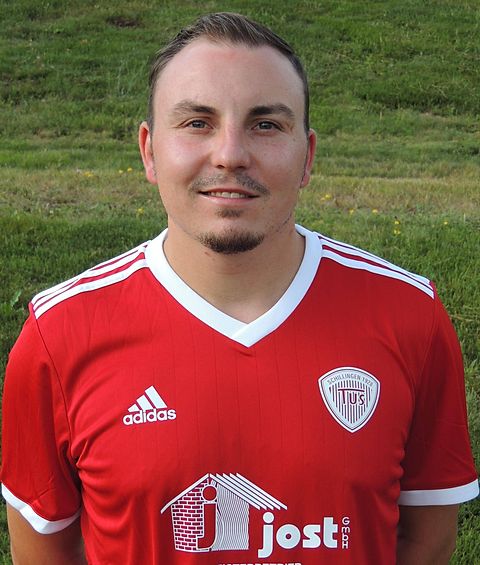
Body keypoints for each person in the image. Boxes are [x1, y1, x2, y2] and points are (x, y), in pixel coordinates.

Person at [1, 11, 478, 565]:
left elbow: (425, 540)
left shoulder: (409, 316)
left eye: (266, 125)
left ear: (308, 157)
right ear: (149, 151)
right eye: (197, 122)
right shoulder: (59, 335)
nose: (230, 154)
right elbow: (46, 549)